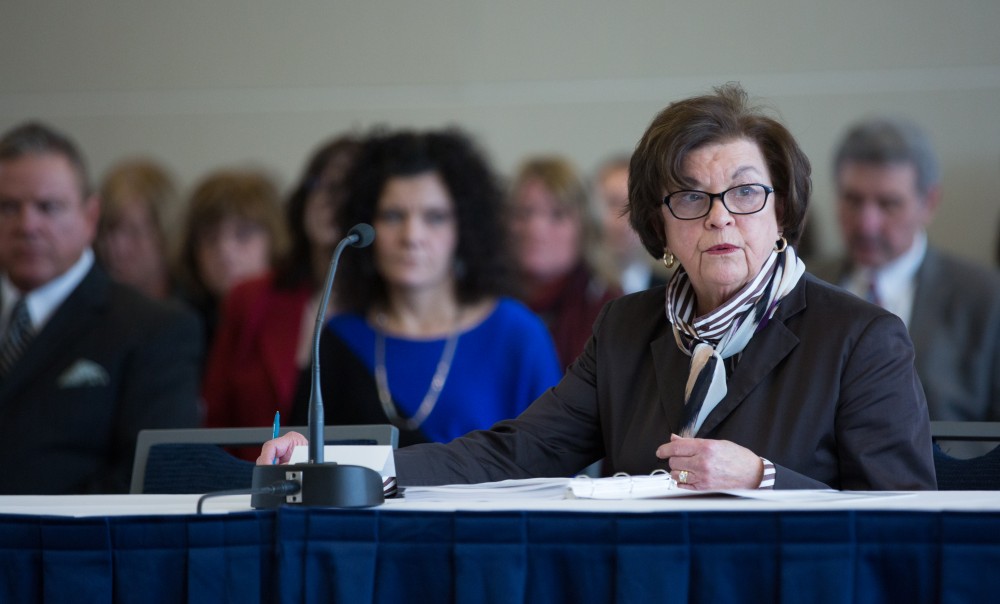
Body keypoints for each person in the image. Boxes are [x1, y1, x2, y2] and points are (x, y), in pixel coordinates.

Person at [262, 84, 937, 491]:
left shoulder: (860, 338)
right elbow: (519, 449)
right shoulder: (626, 328)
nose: (721, 216)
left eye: (747, 193)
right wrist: (347, 465)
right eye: (692, 198)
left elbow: (905, 515)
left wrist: (763, 481)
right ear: (656, 225)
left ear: (783, 210)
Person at [288, 128, 562, 447]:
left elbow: (556, 466)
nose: (411, 236)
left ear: (465, 228)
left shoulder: (516, 334)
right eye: (393, 216)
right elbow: (302, 467)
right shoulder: (341, 338)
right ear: (366, 223)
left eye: (434, 217)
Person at [0, 122, 202, 494]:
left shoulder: (153, 328)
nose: (27, 225)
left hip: (65, 547)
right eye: (8, 207)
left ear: (90, 217)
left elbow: (154, 476)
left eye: (48, 207)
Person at [811, 116, 1000, 424]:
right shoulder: (800, 286)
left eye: (888, 204)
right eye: (853, 201)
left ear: (929, 203)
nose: (867, 224)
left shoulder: (986, 299)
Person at [201, 135, 361, 438]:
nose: (328, 199)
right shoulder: (250, 298)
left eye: (344, 188)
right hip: (253, 480)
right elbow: (213, 427)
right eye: (320, 184)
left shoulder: (393, 307)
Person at [507, 155, 623, 368]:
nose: (535, 229)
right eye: (524, 212)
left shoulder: (610, 312)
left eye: (557, 215)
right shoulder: (483, 304)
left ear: (585, 229)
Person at [173, 167, 289, 350]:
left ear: (275, 239)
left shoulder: (300, 319)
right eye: (210, 236)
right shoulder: (180, 323)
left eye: (243, 234)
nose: (225, 250)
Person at [94, 158, 180, 300]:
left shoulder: (198, 313)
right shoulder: (87, 304)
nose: (117, 247)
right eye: (109, 229)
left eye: (134, 232)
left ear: (165, 235)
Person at [593, 153, 669, 294]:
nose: (625, 217)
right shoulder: (576, 289)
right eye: (613, 203)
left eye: (634, 204)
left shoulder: (671, 290)